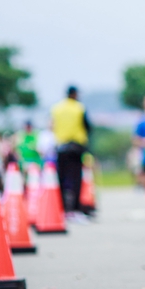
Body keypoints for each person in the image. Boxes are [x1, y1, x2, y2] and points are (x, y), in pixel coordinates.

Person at [51, 86, 91, 217]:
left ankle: (63, 208)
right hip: (76, 147)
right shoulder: (79, 107)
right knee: (76, 179)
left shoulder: (56, 108)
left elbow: (53, 126)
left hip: (61, 146)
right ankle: (75, 209)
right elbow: (87, 126)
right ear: (74, 94)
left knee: (61, 178)